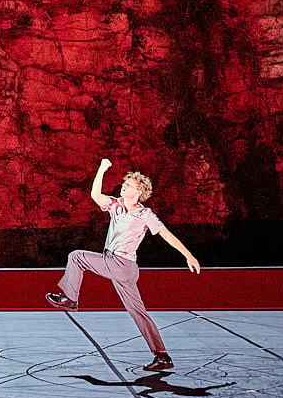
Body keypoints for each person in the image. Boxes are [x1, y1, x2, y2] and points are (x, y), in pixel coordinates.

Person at [46, 157, 199, 373]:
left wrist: (188, 255)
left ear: (139, 192)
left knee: (77, 257)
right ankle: (162, 356)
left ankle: (71, 300)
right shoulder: (115, 205)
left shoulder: (145, 214)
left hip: (122, 264)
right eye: (125, 183)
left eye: (129, 185)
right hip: (119, 267)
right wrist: (101, 168)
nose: (124, 186)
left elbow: (166, 235)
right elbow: (94, 195)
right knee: (138, 312)